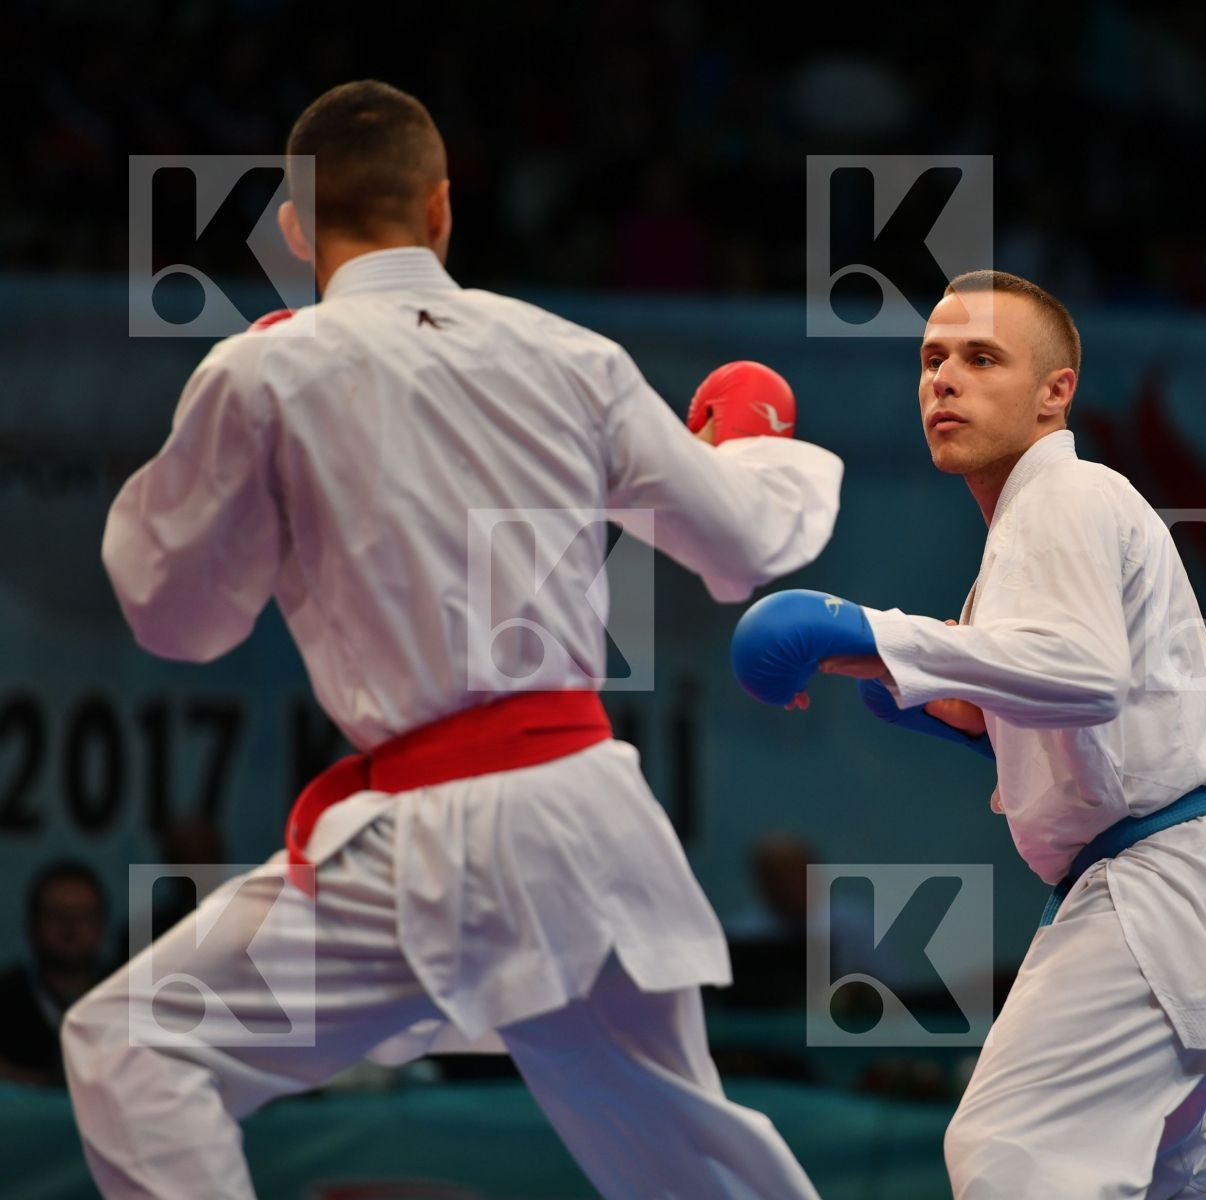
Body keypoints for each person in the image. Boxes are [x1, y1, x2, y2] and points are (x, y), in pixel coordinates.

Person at [63, 80, 838, 1200]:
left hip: (433, 834)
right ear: (440, 210)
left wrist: (235, 451)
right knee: (691, 1168)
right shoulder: (572, 355)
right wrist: (748, 443)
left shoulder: (266, 371)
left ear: (294, 227)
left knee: (131, 1049)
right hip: (589, 820)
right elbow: (749, 546)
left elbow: (177, 620)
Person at [729, 270, 1206, 1198]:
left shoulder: (1066, 495)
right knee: (1176, 1175)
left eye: (982, 358)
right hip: (1167, 874)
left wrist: (866, 630)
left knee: (1011, 1151)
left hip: (1160, 882)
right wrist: (912, 685)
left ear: (1054, 392)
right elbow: (1067, 698)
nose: (944, 379)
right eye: (932, 358)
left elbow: (1081, 673)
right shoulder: (1022, 541)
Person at [0, 860, 109, 1087]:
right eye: (55, 914)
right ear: (32, 924)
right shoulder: (5, 996)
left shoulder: (128, 998)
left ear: (101, 925)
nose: (70, 927)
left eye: (83, 915)